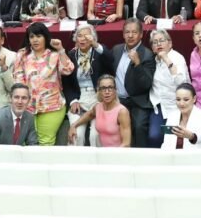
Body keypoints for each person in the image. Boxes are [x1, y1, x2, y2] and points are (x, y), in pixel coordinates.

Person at [10, 22, 74, 145]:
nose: (35, 40)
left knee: (45, 142)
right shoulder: (22, 55)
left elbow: (68, 69)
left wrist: (61, 50)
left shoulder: (54, 54)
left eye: (39, 36)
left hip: (52, 106)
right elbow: (18, 80)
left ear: (46, 37)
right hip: (27, 107)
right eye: (32, 37)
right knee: (24, 142)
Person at [65, 24, 115, 146]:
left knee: (96, 133)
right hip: (79, 98)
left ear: (93, 38)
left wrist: (96, 45)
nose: (82, 39)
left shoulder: (100, 53)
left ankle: (98, 163)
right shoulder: (71, 55)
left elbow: (111, 59)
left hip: (98, 98)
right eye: (79, 36)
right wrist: (73, 101)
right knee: (76, 134)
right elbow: (67, 83)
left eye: (86, 36)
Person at [111, 18, 157, 147]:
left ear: (141, 34)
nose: (130, 35)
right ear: (123, 34)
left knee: (139, 126)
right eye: (127, 32)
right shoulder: (116, 50)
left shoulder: (147, 55)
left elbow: (146, 84)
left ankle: (141, 160)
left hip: (138, 101)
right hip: (118, 100)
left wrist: (138, 64)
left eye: (134, 32)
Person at [147, 30, 190, 148]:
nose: (158, 44)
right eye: (155, 42)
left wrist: (167, 59)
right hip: (159, 106)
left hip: (176, 107)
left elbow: (182, 84)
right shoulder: (153, 60)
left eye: (162, 41)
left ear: (170, 44)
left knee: (172, 140)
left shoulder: (177, 58)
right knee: (154, 136)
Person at [69, 76, 131, 147]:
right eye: (103, 88)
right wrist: (74, 125)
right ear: (99, 91)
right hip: (102, 154)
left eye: (110, 88)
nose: (107, 92)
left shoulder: (122, 112)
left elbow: (126, 143)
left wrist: (113, 156)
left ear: (115, 90)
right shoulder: (98, 107)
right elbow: (89, 115)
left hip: (117, 154)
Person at [162, 83, 201, 149]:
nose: (181, 103)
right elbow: (166, 143)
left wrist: (191, 136)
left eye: (186, 100)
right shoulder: (172, 115)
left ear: (194, 99)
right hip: (175, 157)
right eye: (178, 99)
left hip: (198, 157)